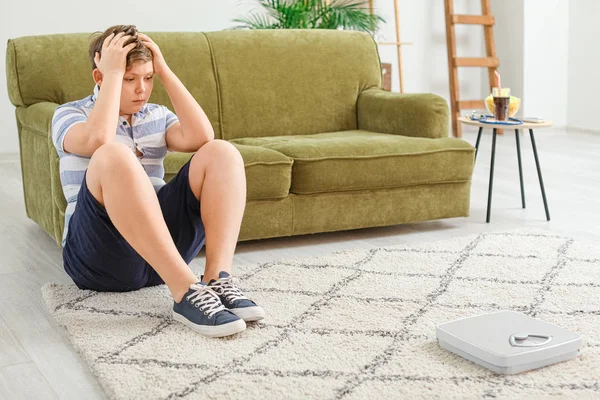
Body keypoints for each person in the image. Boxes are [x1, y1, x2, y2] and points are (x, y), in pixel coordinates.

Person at [51, 25, 263, 338]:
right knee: (114, 155)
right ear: (101, 77)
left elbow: (201, 136)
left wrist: (163, 69)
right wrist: (111, 74)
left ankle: (217, 279)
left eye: (148, 78)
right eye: (129, 79)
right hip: (100, 258)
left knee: (221, 152)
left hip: (159, 254)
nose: (142, 89)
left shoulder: (157, 114)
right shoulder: (70, 115)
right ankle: (185, 292)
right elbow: (98, 139)